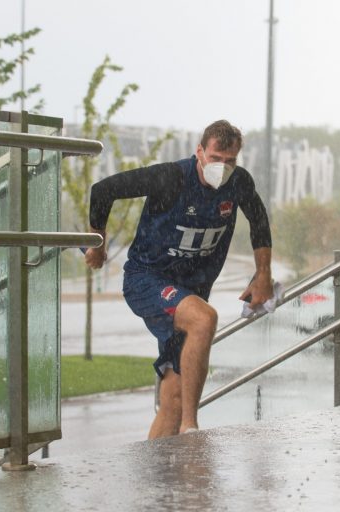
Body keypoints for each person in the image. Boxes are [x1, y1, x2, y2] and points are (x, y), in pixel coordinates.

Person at [84, 120, 273, 439]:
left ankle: (161, 481)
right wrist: (98, 243)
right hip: (147, 280)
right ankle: (191, 428)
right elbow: (103, 190)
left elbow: (258, 220)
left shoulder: (238, 183)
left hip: (189, 292)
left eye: (230, 161)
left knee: (172, 397)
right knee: (204, 319)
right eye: (215, 158)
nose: (223, 167)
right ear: (200, 152)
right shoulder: (170, 177)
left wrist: (263, 275)